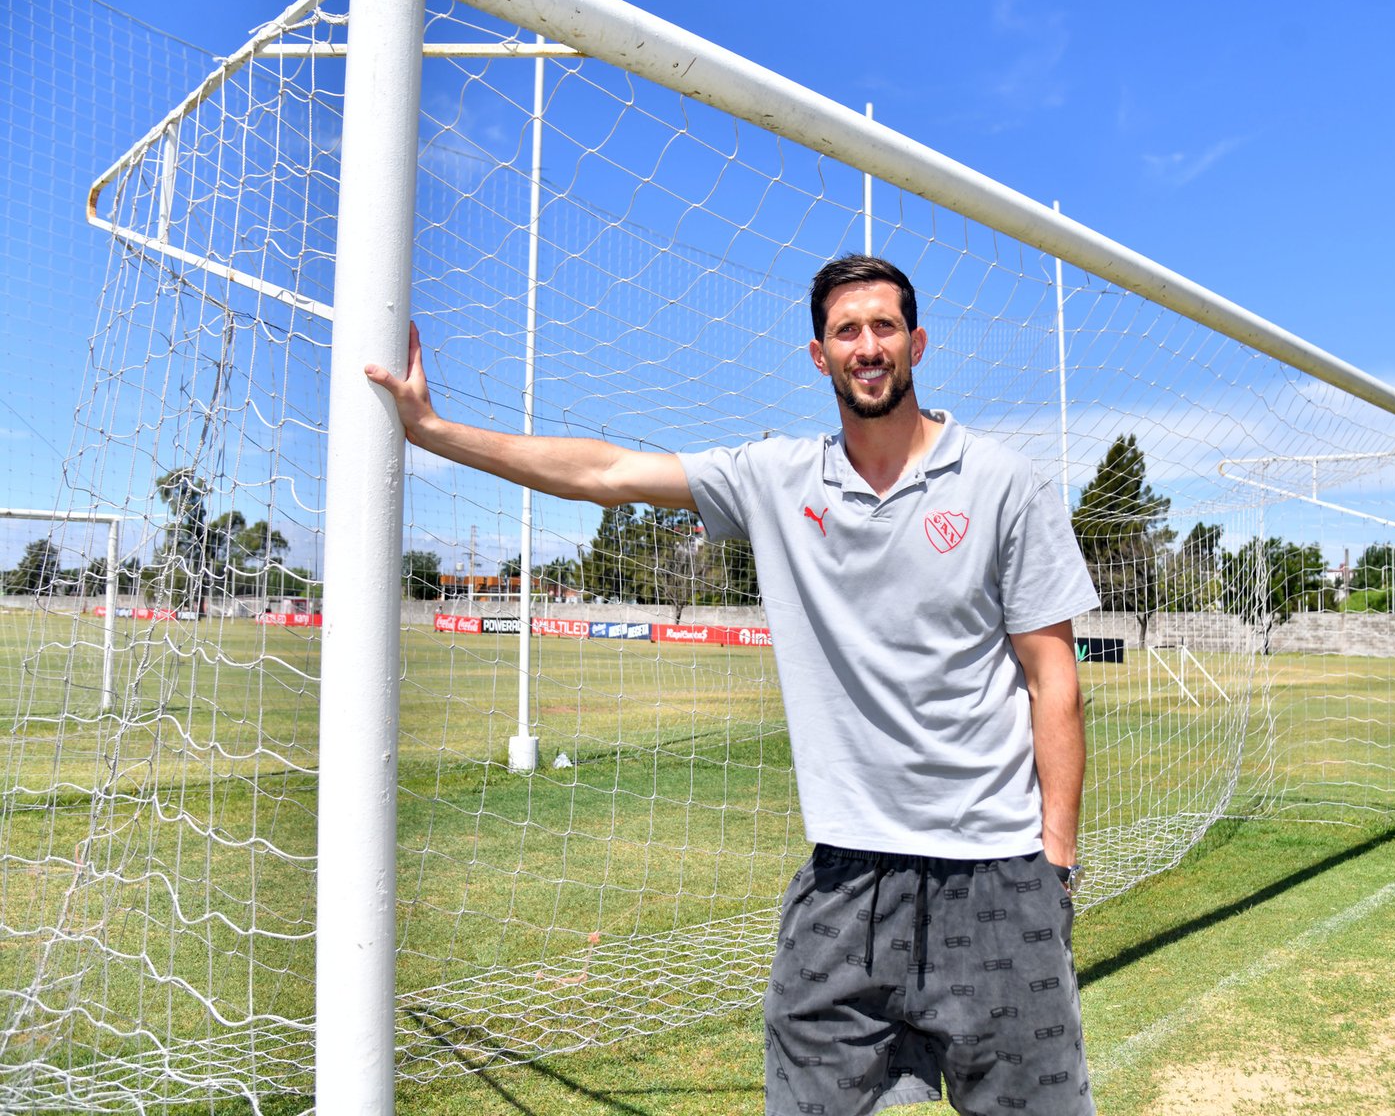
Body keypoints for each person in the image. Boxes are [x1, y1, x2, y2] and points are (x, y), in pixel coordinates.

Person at [365, 255, 1099, 1115]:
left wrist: (1055, 864)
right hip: (846, 877)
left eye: (885, 327)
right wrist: (435, 432)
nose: (868, 347)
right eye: (846, 331)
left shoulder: (1004, 483)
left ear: (918, 343)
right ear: (819, 356)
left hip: (993, 872)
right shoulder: (777, 478)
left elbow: (1056, 681)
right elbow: (608, 474)